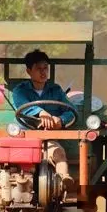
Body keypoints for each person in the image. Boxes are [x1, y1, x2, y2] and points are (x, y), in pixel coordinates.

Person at [13, 49, 78, 192]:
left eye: (45, 68)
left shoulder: (55, 90)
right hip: (26, 138)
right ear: (29, 71)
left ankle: (64, 179)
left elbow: (71, 111)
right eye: (38, 69)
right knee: (24, 163)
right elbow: (22, 108)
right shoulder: (20, 90)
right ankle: (23, 188)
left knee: (59, 153)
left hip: (49, 138)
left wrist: (60, 120)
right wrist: (41, 113)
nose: (43, 73)